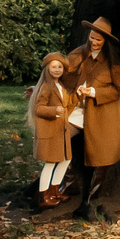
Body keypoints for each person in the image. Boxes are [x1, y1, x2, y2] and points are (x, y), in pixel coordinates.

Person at [63, 16, 120, 184]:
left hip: (100, 114)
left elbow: (119, 90)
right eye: (91, 38)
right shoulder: (78, 53)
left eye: (98, 40)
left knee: (102, 154)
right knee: (60, 138)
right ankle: (68, 183)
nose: (94, 42)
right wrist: (40, 89)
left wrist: (93, 92)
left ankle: (94, 195)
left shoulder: (113, 62)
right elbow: (60, 74)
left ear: (105, 41)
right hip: (76, 110)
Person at [26, 51, 76, 206]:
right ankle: (43, 196)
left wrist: (79, 95)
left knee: (65, 160)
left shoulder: (60, 86)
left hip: (61, 131)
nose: (57, 70)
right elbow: (38, 108)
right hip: (51, 131)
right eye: (54, 67)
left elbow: (68, 105)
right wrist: (54, 111)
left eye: (60, 67)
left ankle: (55, 192)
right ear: (47, 69)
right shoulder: (47, 87)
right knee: (51, 163)